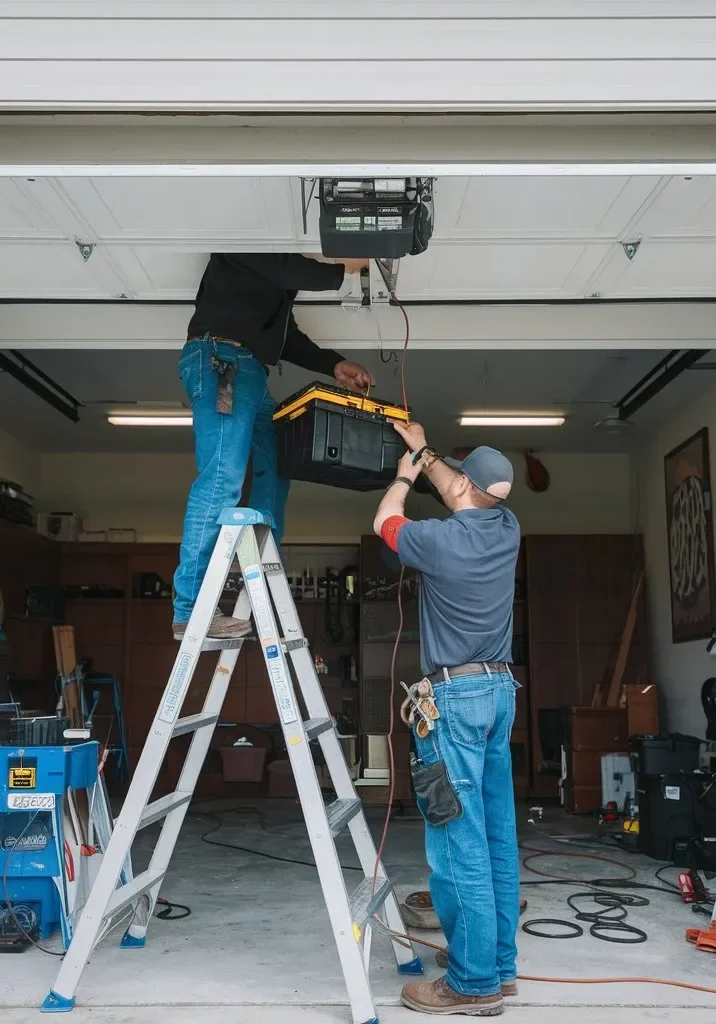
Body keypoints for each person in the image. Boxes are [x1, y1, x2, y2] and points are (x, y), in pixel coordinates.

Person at [373, 421, 521, 1017]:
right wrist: (424, 448)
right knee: (495, 836)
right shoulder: (507, 528)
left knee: (459, 842)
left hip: (455, 703)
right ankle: (497, 966)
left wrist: (404, 476)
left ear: (462, 486)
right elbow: (461, 489)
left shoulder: (438, 541)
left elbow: (384, 522)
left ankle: (473, 984)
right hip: (500, 693)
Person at [174, 253, 375, 640]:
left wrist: (334, 364)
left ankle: (262, 580)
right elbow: (290, 267)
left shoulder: (269, 285)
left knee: (276, 464)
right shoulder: (245, 244)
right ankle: (191, 610)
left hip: (246, 370)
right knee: (221, 479)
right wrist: (349, 265)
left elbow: (287, 338)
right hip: (221, 362)